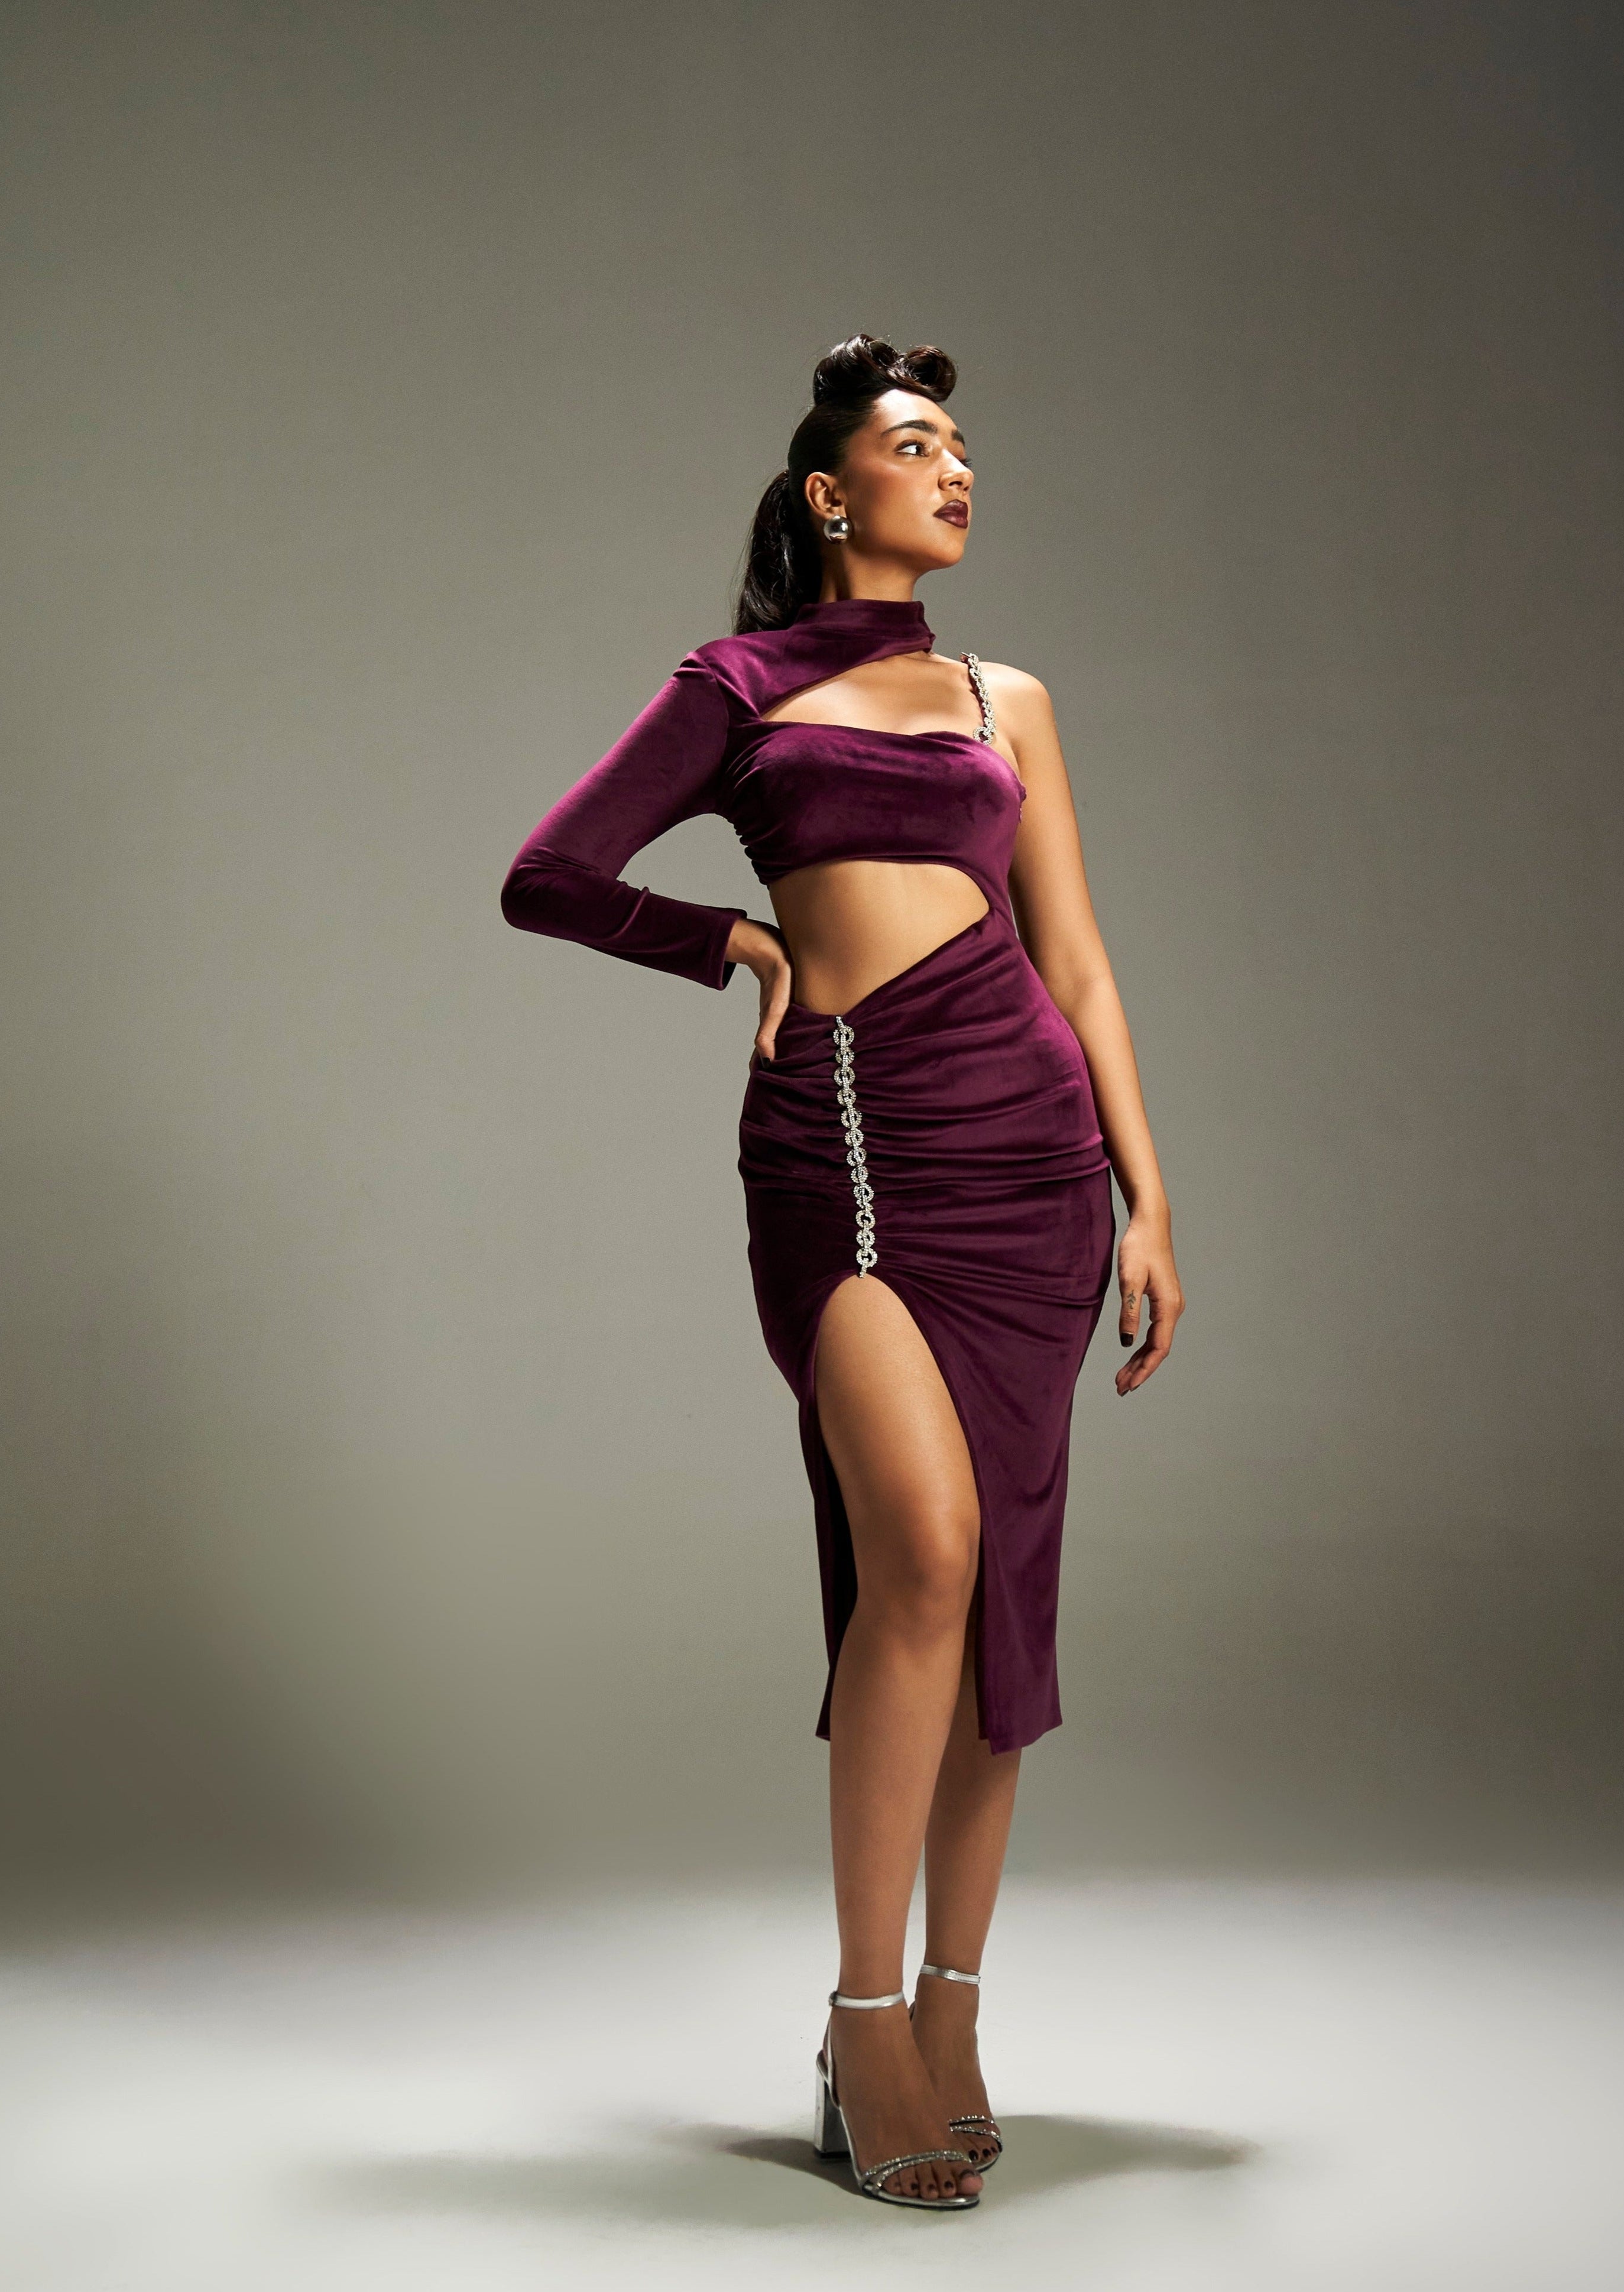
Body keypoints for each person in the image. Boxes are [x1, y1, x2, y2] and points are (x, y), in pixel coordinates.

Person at [501, 335, 1184, 2209]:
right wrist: (733, 943)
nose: (954, 468)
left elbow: (1080, 963)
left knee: (999, 1594)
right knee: (925, 1560)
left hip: (1030, 1157)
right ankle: (863, 2015)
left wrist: (1147, 1198)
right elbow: (549, 874)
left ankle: (953, 2008)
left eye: (961, 445)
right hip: (855, 1148)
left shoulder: (1002, 698)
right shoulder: (735, 688)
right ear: (829, 493)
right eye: (913, 443)